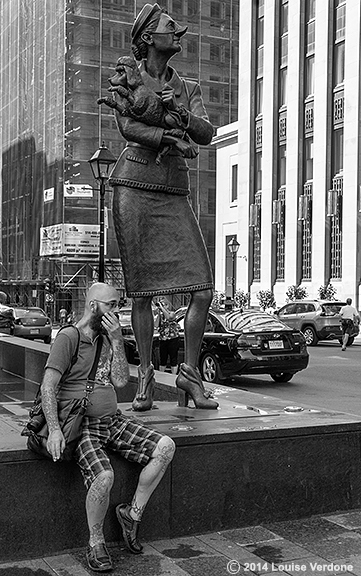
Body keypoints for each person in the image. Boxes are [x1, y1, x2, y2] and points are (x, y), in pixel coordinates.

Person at [108, 3, 218, 411]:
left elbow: (207, 133)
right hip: (134, 186)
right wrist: (168, 137)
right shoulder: (130, 76)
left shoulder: (186, 87)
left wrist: (180, 112)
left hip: (173, 191)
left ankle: (190, 377)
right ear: (149, 38)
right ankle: (147, 381)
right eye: (170, 28)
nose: (178, 33)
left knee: (202, 288)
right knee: (141, 292)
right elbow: (128, 127)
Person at [40, 282, 175, 572]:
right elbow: (47, 386)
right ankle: (95, 542)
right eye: (111, 304)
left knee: (165, 447)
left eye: (117, 304)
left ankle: (131, 515)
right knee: (104, 477)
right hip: (83, 424)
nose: (117, 310)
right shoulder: (69, 337)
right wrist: (54, 429)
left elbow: (121, 382)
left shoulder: (107, 338)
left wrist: (116, 341)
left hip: (112, 420)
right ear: (93, 306)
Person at [157, 301, 180, 374]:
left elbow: (169, 317)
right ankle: (161, 375)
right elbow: (156, 325)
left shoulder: (172, 313)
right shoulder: (161, 315)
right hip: (163, 339)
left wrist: (162, 307)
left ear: (167, 306)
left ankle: (173, 376)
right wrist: (158, 314)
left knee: (173, 358)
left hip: (173, 339)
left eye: (164, 305)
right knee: (163, 359)